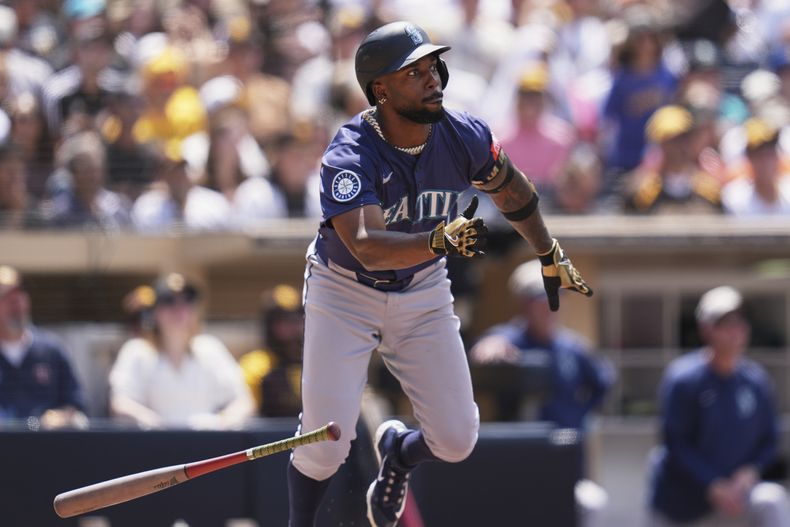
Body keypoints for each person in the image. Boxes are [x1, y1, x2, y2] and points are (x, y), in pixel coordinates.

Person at [287, 21, 593, 527]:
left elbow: (513, 192)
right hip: (344, 290)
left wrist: (547, 250)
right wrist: (435, 241)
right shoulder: (350, 152)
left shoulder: (463, 133)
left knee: (456, 439)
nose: (432, 79)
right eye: (415, 72)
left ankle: (399, 453)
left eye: (433, 67)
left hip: (422, 288)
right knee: (326, 447)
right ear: (380, 89)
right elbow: (364, 247)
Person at [469, 258, 613, 527]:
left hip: (565, 464)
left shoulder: (573, 349)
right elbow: (486, 350)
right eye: (543, 297)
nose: (552, 305)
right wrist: (487, 347)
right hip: (518, 465)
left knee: (593, 507)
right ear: (524, 303)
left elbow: (603, 385)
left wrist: (578, 419)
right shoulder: (508, 341)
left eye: (557, 295)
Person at [648, 286, 790, 527]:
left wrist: (749, 473)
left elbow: (769, 438)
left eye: (739, 322)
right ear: (706, 329)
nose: (735, 330)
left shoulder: (755, 380)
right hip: (685, 504)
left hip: (738, 497)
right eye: (725, 323)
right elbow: (674, 443)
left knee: (771, 499)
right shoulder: (683, 379)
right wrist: (714, 484)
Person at [108, 272, 255, 429]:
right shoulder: (137, 351)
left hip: (207, 447)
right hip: (155, 447)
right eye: (169, 302)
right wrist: (155, 423)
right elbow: (120, 403)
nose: (179, 309)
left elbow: (243, 402)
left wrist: (220, 423)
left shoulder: (210, 349)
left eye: (187, 302)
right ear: (155, 311)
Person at [0, 265, 88, 428]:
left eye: (20, 296)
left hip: (44, 447)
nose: (17, 305)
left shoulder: (51, 351)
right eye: (7, 298)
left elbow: (77, 406)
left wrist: (60, 417)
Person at [238, 284, 304, 418]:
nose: (292, 328)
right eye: (282, 321)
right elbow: (246, 413)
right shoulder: (255, 365)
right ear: (269, 325)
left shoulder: (319, 365)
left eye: (297, 319)